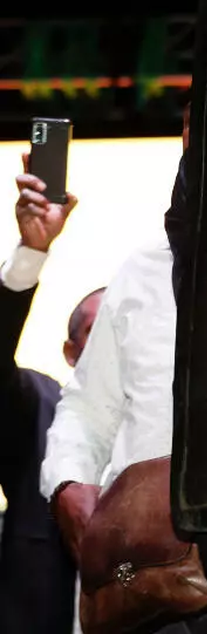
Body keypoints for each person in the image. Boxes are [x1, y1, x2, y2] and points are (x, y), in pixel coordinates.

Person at [0, 155, 95, 634]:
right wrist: (30, 254)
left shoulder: (175, 430)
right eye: (98, 334)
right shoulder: (39, 407)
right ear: (71, 351)